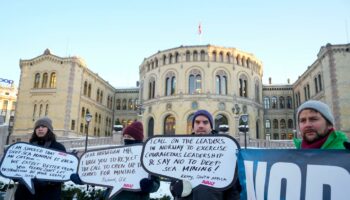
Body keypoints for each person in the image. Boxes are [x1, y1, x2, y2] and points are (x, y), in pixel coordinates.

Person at [170, 109, 241, 200]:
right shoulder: (182, 149)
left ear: (211, 126)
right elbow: (173, 186)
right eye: (197, 122)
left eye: (205, 122)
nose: (201, 125)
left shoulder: (224, 150)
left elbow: (233, 188)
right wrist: (175, 187)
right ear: (193, 126)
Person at [15, 117, 66, 200]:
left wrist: (46, 181)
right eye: (37, 127)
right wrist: (14, 175)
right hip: (25, 194)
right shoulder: (27, 147)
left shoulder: (58, 147)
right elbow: (18, 166)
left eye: (43, 126)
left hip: (48, 194)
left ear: (49, 129)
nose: (40, 129)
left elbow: (62, 172)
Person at [110, 121, 160, 200]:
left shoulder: (148, 157)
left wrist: (150, 186)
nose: (126, 139)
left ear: (137, 139)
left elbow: (156, 184)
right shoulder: (117, 155)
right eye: (125, 136)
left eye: (129, 137)